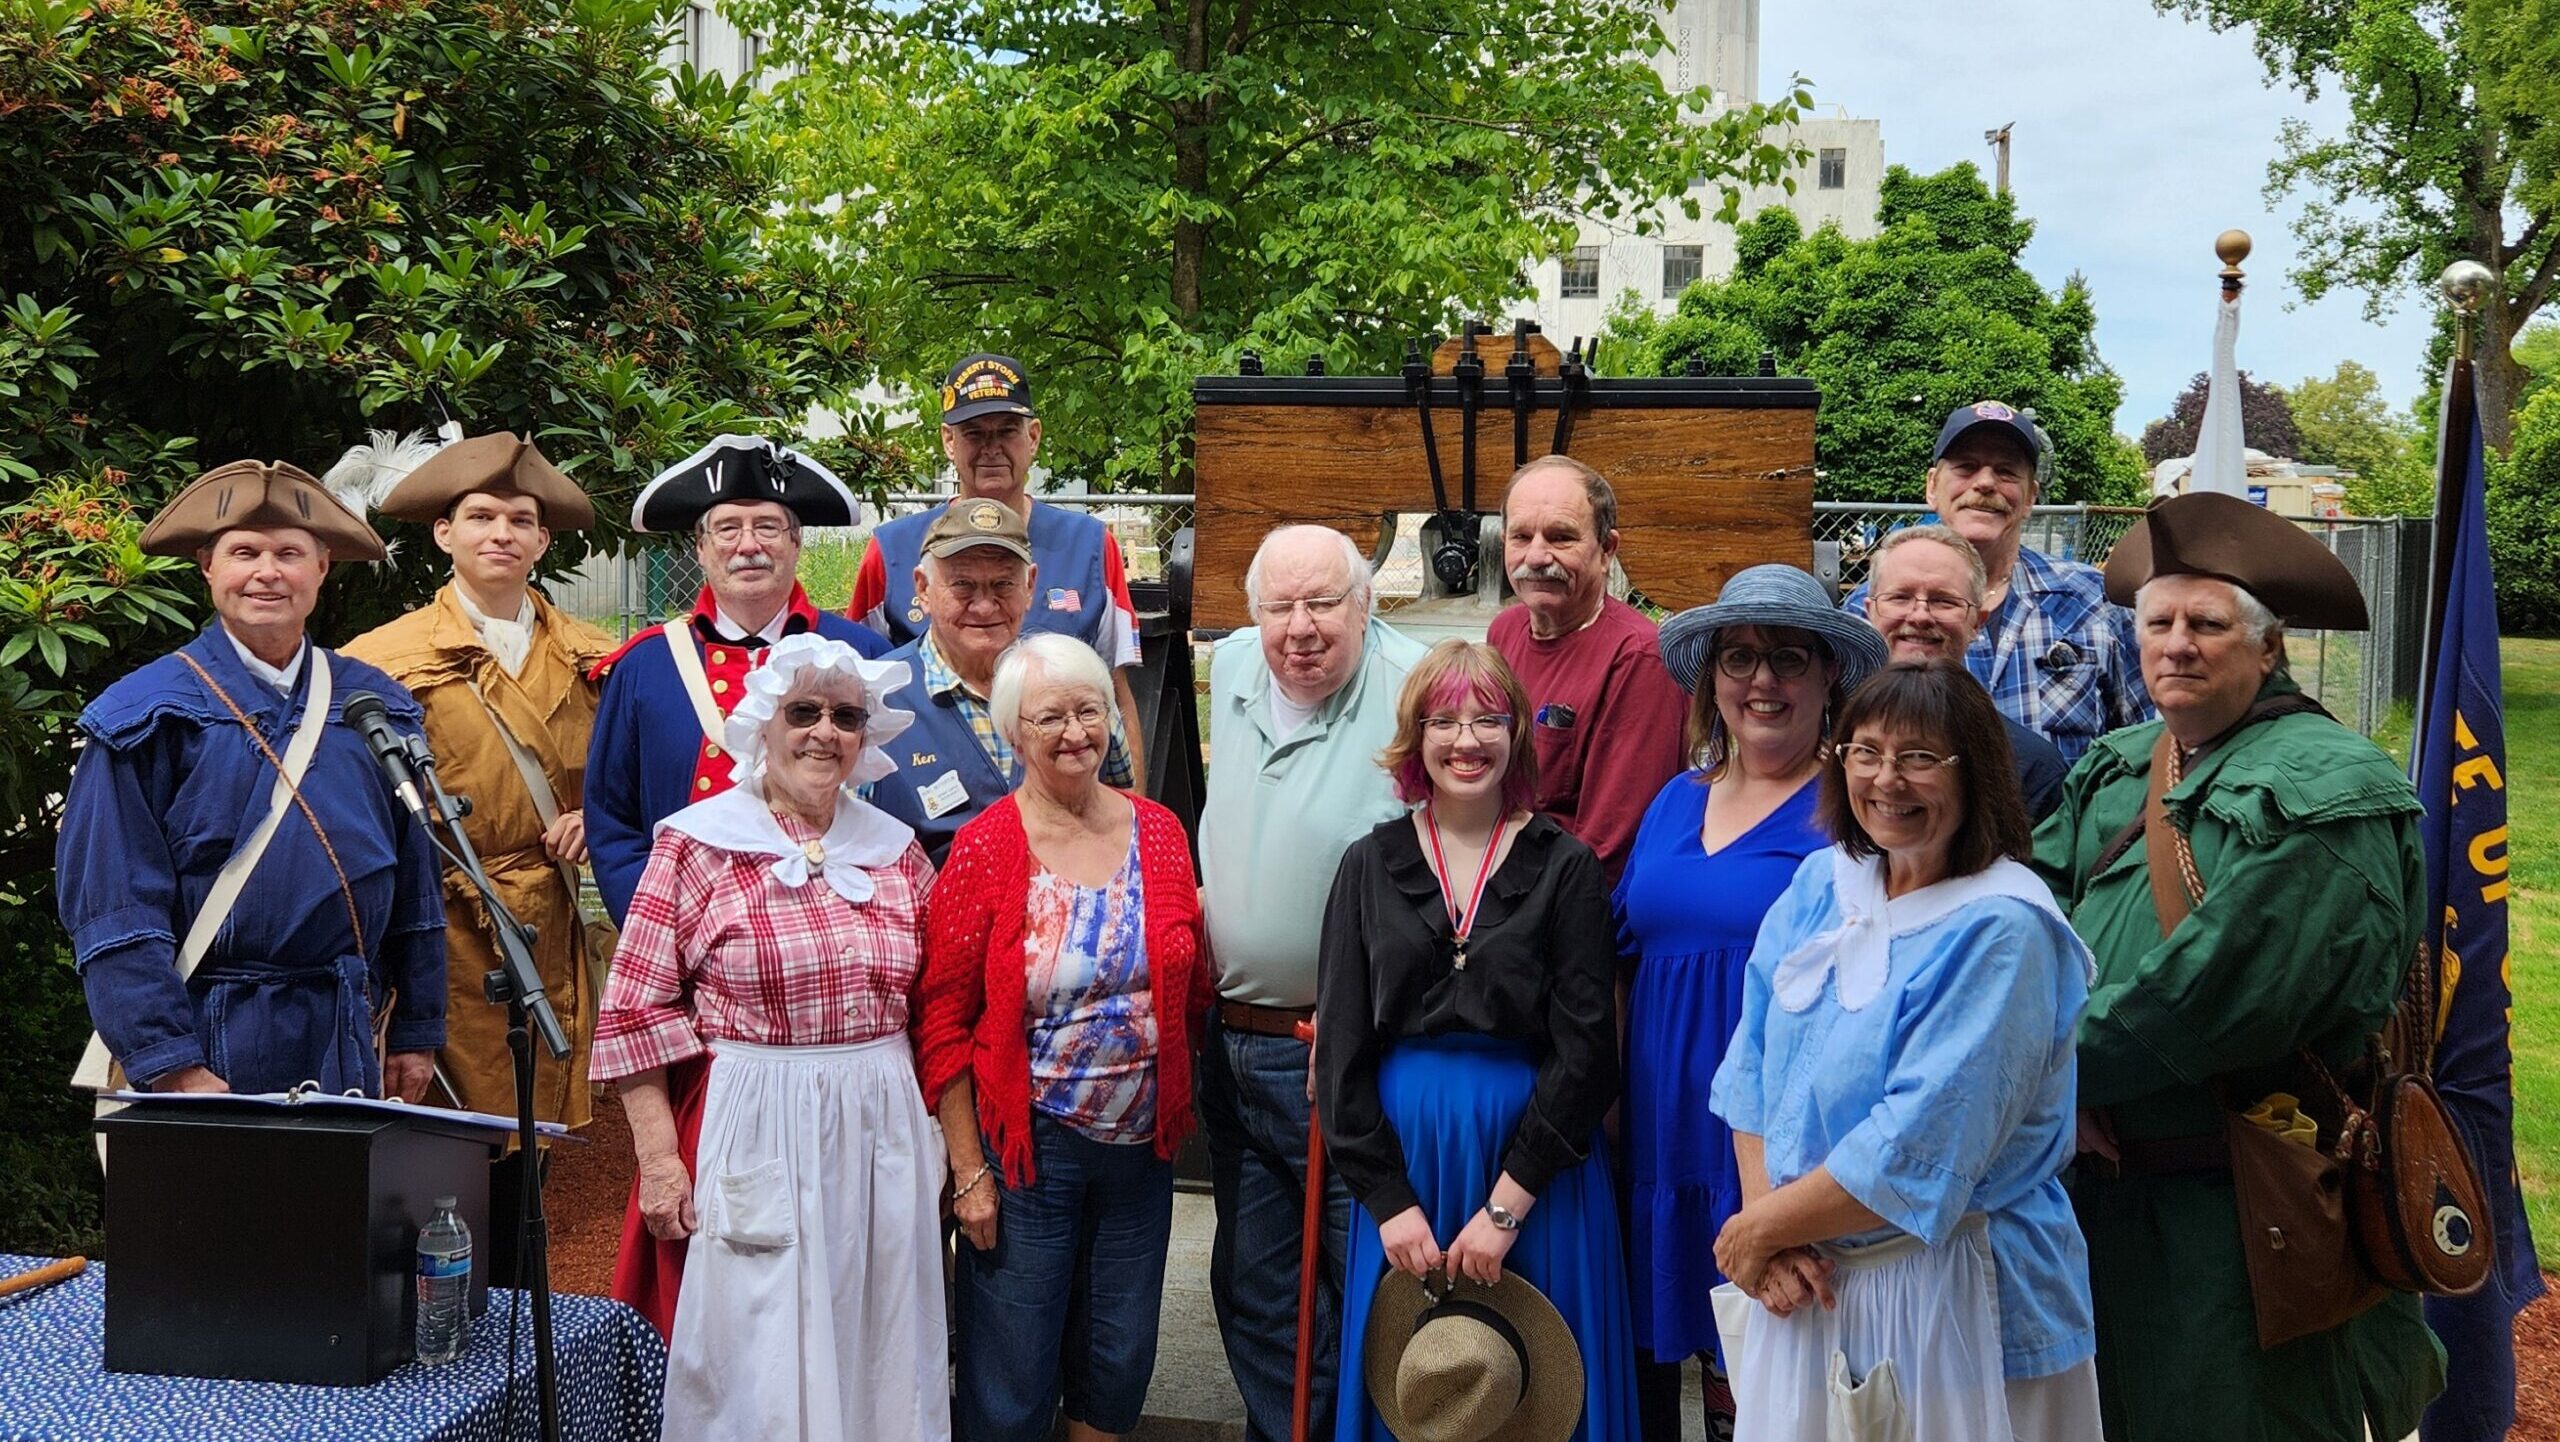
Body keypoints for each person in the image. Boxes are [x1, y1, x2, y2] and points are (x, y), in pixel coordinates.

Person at [2032, 492, 2445, 1440]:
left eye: (2207, 624)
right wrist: (2044, 1058)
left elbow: (2210, 1000)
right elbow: (2020, 914)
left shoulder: (2330, 790)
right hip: (2096, 1212)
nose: (2176, 644)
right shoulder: (2122, 761)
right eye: (2158, 622)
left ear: (2266, 649)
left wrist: (2043, 1070)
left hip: (2244, 1223)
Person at [1708, 658, 2101, 1441]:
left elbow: (1917, 1145)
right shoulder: (1826, 882)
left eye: (1920, 758)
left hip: (1951, 1291)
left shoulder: (2004, 929)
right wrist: (1765, 1227)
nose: (1888, 779)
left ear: (1977, 774)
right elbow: (1752, 1067)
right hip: (1810, 1275)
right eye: (1865, 751)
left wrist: (1759, 1234)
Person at [591, 635, 946, 1440]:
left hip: (879, 1127)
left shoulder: (894, 853)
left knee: (880, 1331)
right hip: (755, 1118)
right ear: (764, 724)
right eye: (804, 712)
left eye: (847, 716)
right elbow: (635, 1012)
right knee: (754, 1348)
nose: (825, 731)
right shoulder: (696, 842)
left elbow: (937, 1004)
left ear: (867, 737)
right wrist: (658, 1161)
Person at [583, 433, 889, 1334]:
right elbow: (611, 819)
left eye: (769, 525)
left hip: (815, 980)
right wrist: (668, 938)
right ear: (701, 549)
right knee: (692, 1193)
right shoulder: (644, 666)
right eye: (728, 528)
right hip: (688, 976)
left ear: (798, 545)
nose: (749, 543)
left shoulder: (853, 657)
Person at [1317, 639, 1638, 1442]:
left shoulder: (1566, 866)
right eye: (1444, 721)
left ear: (1518, 734)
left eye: (1488, 719)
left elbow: (1588, 1050)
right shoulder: (1367, 865)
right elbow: (1342, 1048)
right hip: (1408, 1163)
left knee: (1537, 1393)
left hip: (1538, 1166)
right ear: (1415, 739)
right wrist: (1388, 1202)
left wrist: (1506, 1206)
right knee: (1433, 1388)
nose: (1468, 740)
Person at [57, 460, 444, 1102]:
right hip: (205, 1038)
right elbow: (112, 907)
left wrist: (417, 1028)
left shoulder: (377, 707)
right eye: (245, 552)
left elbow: (417, 886)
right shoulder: (146, 715)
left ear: (322, 567)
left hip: (347, 1039)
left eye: (289, 553)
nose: (268, 572)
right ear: (208, 566)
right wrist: (171, 1062)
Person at [1612, 563, 1884, 1441]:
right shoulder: (1671, 801)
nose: (1761, 680)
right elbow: (1624, 955)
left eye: (1787, 658)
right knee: (1662, 1359)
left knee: (1761, 1368)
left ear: (1829, 674)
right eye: (1739, 658)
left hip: (1771, 1138)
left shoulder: (1850, 812)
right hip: (1659, 1126)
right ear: (1711, 678)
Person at [917, 633, 1206, 1442]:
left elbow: (1192, 976)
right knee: (1011, 1365)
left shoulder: (1158, 832)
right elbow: (941, 1020)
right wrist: (969, 1170)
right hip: (1025, 1147)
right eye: (1050, 717)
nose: (1076, 731)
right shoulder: (985, 847)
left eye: (1090, 710)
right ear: (1014, 735)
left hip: (1143, 1145)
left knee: (1117, 1359)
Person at [1196, 524, 1428, 1442]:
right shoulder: (1239, 668)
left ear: (1365, 606)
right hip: (1234, 1040)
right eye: (1279, 606)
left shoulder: (1415, 686)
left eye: (1323, 603)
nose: (1300, 627)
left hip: (1339, 1052)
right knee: (1254, 1285)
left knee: (1363, 1276)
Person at [339, 432, 610, 1143]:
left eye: (521, 521)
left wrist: (598, 817)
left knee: (534, 1139)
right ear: (443, 532)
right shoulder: (377, 660)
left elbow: (638, 778)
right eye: (482, 517)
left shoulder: (597, 655)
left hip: (547, 922)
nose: (502, 534)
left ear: (544, 541)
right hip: (436, 921)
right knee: (441, 1139)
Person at [847, 353, 1148, 785]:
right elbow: (861, 694)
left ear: (1034, 436)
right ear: (949, 442)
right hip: (933, 804)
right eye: (973, 434)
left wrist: (1137, 819)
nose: (991, 448)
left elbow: (1117, 694)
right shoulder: (891, 550)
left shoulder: (1091, 546)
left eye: (1006, 431)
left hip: (1066, 799)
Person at [1839, 401, 2149, 762]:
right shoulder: (1871, 612)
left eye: (2006, 471)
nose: (1985, 483)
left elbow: (2145, 743)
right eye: (1966, 467)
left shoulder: (2092, 600)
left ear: (2031, 495)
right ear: (1932, 486)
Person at [868, 498, 1139, 863]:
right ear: (922, 588)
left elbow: (1128, 810)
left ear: (1029, 587)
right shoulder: (873, 699)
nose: (984, 605)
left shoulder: (1076, 681)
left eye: (1003, 584)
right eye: (962, 584)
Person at [1487, 455, 1689, 884]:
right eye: (1521, 537)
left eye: (1561, 538)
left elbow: (1608, 850)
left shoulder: (1639, 658)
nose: (1537, 557)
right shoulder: (1504, 632)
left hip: (1565, 909)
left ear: (1607, 550)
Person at [1859, 524, 2068, 820]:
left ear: (1977, 622)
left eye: (1943, 600)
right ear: (1871, 611)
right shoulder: (1828, 739)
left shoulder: (2028, 767)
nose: (1920, 615)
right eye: (1900, 597)